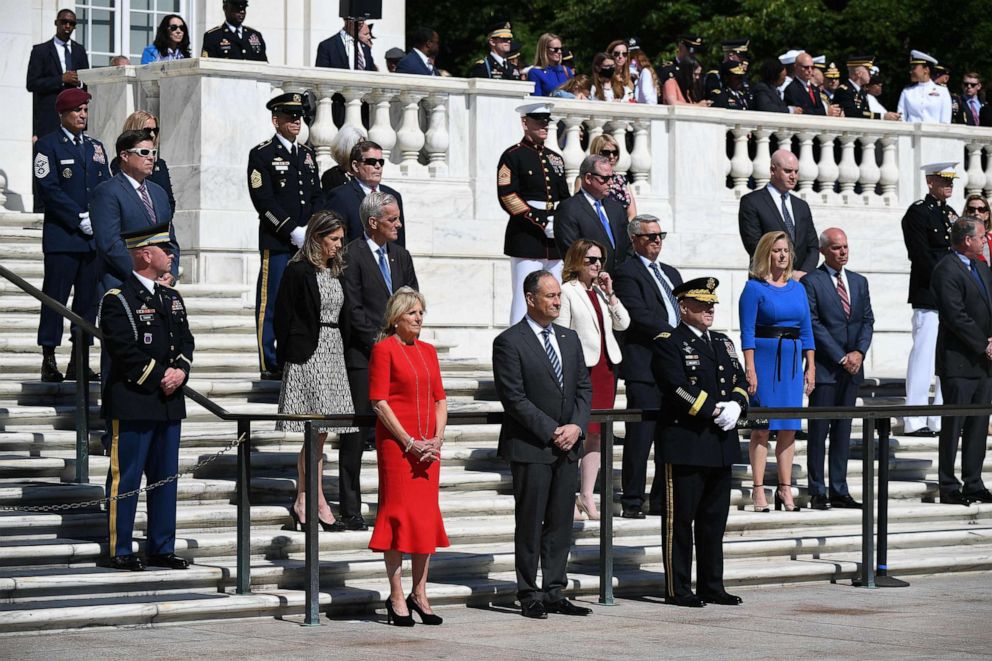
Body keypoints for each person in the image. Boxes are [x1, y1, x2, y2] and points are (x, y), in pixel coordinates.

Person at [492, 270, 592, 619]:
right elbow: (514, 398)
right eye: (550, 296)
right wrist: (554, 431)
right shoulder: (510, 341)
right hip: (532, 446)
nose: (556, 301)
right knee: (531, 521)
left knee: (561, 522)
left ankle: (554, 590)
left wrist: (577, 427)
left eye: (558, 296)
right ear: (530, 298)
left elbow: (583, 388)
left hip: (568, 446)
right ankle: (528, 591)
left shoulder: (569, 338)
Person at [98, 222, 194, 571]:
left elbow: (185, 342)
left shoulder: (171, 297)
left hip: (168, 403)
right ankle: (119, 548)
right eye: (163, 249)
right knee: (128, 477)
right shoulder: (118, 299)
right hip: (135, 399)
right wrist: (160, 377)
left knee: (165, 478)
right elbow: (123, 350)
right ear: (144, 254)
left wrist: (181, 371)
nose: (171, 254)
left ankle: (161, 546)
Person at [652, 277, 748, 607]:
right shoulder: (669, 342)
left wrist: (737, 405)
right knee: (680, 522)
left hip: (720, 445)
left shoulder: (723, 343)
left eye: (712, 304)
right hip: (686, 443)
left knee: (713, 522)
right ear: (683, 307)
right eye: (702, 304)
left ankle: (711, 584)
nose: (709, 309)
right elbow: (675, 386)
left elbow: (739, 380)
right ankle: (678, 588)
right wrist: (712, 409)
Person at [368, 287, 449, 626]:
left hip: (429, 451)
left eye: (421, 313)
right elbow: (379, 401)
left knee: (424, 519)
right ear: (396, 318)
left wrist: (436, 440)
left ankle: (420, 592)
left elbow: (440, 400)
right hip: (398, 450)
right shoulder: (384, 350)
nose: (419, 319)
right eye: (413, 313)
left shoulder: (428, 351)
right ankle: (397, 594)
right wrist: (408, 442)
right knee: (398, 518)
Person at [272, 211, 356, 530]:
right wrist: (292, 351)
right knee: (313, 430)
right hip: (309, 353)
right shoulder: (298, 270)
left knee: (321, 435)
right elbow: (282, 316)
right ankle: (313, 499)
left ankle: (305, 499)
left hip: (334, 353)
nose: (338, 245)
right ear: (317, 238)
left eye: (340, 239)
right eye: (333, 239)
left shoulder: (336, 270)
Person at [341, 191, 418, 527]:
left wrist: (403, 344)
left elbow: (413, 299)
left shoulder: (401, 256)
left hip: (400, 358)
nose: (398, 225)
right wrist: (383, 345)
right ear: (373, 223)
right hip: (364, 357)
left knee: (398, 431)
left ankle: (398, 502)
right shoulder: (352, 256)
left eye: (398, 218)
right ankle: (351, 507)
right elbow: (353, 309)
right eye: (392, 220)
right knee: (356, 434)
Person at [33, 88, 110, 382]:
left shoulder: (95, 147)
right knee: (55, 298)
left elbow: (104, 186)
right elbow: (48, 188)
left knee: (87, 302)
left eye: (85, 110)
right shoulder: (48, 146)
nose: (82, 115)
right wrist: (78, 218)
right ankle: (49, 357)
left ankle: (79, 358)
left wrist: (99, 217)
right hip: (63, 237)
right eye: (77, 110)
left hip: (91, 240)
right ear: (63, 114)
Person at [246, 92, 321, 381]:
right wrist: (292, 230)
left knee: (301, 302)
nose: (296, 121)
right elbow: (263, 201)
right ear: (275, 120)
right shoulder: (262, 154)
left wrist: (311, 231)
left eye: (299, 116)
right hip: (278, 242)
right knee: (272, 301)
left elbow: (315, 195)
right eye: (289, 117)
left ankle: (296, 356)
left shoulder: (307, 155)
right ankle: (269, 360)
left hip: (306, 244)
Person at [739, 232, 815, 512]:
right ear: (765, 255)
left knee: (789, 429)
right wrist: (750, 368)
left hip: (793, 362)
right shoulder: (753, 288)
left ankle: (785, 489)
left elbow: (807, 329)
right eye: (776, 251)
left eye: (785, 250)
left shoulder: (798, 288)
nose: (782, 255)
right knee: (761, 428)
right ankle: (758, 489)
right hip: (765, 359)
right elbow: (747, 331)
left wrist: (811, 366)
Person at [613, 215, 683, 518]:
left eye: (660, 235)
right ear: (635, 240)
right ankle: (632, 500)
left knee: (670, 435)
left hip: (674, 367)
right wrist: (675, 336)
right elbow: (638, 314)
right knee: (640, 438)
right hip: (646, 366)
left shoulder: (671, 273)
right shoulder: (626, 272)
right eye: (650, 236)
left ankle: (661, 498)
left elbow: (684, 307)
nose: (657, 240)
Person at [801, 228, 874, 510]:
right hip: (826, 368)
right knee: (819, 430)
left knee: (843, 430)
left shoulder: (859, 281)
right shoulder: (812, 282)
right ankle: (818, 489)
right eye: (835, 248)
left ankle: (839, 488)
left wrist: (858, 353)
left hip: (852, 370)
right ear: (823, 251)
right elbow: (813, 323)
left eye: (845, 247)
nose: (842, 252)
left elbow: (867, 320)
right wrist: (841, 357)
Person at [558, 240, 629, 520]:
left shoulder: (600, 292)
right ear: (577, 261)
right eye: (591, 260)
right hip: (583, 369)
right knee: (578, 431)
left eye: (600, 260)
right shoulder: (567, 291)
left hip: (606, 367)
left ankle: (587, 494)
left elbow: (623, 323)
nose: (597, 265)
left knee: (598, 434)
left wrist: (611, 295)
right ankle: (568, 495)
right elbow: (563, 334)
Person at [931, 217, 992, 506]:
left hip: (984, 363)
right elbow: (955, 316)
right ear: (967, 240)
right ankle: (948, 483)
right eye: (981, 236)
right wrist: (983, 345)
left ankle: (974, 481)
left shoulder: (982, 267)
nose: (984, 240)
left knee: (979, 424)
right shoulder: (946, 269)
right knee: (954, 424)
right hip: (959, 361)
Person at [497, 102, 570, 325]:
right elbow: (508, 195)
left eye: (546, 122)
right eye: (538, 121)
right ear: (525, 123)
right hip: (527, 236)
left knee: (556, 298)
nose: (544, 126)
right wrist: (540, 221)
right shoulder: (512, 156)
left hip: (554, 240)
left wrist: (560, 222)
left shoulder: (555, 158)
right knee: (524, 298)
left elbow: (564, 197)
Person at [901, 162, 959, 436]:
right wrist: (948, 279)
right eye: (943, 180)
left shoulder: (951, 214)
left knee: (945, 361)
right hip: (929, 295)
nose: (949, 185)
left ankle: (938, 419)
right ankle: (914, 419)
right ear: (930, 182)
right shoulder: (918, 213)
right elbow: (921, 255)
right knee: (924, 358)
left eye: (951, 181)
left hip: (950, 299)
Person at [91, 129, 178, 293]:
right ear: (124, 155)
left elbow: (170, 240)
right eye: (144, 152)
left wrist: (170, 273)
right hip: (123, 286)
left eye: (153, 152)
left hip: (159, 288)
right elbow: (110, 245)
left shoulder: (159, 193)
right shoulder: (107, 191)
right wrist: (145, 275)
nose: (151, 157)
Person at [739, 149, 819, 278]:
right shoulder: (752, 202)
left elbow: (813, 247)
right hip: (768, 280)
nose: (793, 176)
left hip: (801, 282)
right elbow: (755, 245)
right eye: (787, 171)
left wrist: (802, 273)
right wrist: (786, 273)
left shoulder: (801, 206)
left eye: (796, 171)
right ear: (773, 170)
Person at [319, 140, 406, 246]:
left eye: (381, 162)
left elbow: (399, 241)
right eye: (372, 162)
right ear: (355, 166)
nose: (378, 166)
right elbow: (332, 240)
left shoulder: (393, 196)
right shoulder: (340, 197)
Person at [557, 155, 631, 274]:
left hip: (621, 281)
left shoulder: (616, 207)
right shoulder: (569, 209)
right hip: (590, 282)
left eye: (612, 177)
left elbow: (629, 244)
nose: (611, 182)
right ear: (588, 178)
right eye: (605, 178)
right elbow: (571, 252)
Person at [26, 8, 89, 141]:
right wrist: (60, 79)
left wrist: (79, 83)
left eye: (71, 23)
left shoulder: (79, 50)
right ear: (56, 23)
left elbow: (86, 81)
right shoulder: (40, 51)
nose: (67, 26)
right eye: (64, 22)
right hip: (49, 116)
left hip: (75, 114)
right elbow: (32, 83)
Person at [112, 111, 176, 214]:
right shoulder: (121, 161)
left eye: (155, 130)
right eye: (147, 130)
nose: (152, 135)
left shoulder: (160, 164)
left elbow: (169, 201)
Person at [576, 135, 638, 221]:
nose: (612, 156)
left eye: (615, 152)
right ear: (596, 152)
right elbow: (579, 207)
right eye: (606, 152)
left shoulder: (622, 180)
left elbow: (632, 214)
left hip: (622, 229)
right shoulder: (585, 178)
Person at [833, 55, 901, 121]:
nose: (870, 74)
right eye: (868, 70)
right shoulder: (843, 91)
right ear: (859, 74)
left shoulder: (861, 92)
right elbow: (852, 113)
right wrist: (882, 116)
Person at [201, 0, 267, 61]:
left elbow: (264, 66)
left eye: (244, 8)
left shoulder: (255, 35)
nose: (242, 12)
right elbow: (208, 67)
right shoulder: (213, 36)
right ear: (225, 8)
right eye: (237, 8)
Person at [897, 50, 950, 123]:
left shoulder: (942, 91)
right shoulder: (907, 91)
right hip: (911, 133)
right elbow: (901, 118)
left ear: (926, 70)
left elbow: (945, 121)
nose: (911, 71)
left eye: (914, 68)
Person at [320, 125, 366, 193]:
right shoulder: (331, 176)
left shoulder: (366, 171)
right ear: (347, 148)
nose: (362, 151)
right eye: (358, 147)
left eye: (364, 147)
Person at [964, 194, 992, 263]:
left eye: (981, 209)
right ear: (967, 213)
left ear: (987, 215)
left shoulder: (990, 238)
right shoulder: (960, 240)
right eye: (971, 210)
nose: (976, 213)